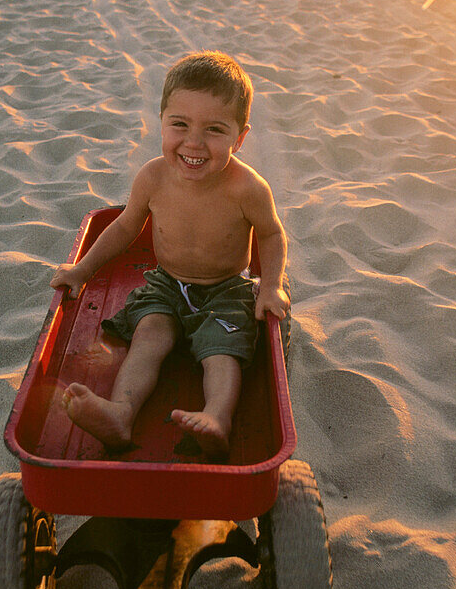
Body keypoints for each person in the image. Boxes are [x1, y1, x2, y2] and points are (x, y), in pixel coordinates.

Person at [49, 51, 289, 460]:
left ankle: (217, 418)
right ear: (161, 121)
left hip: (226, 289)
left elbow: (271, 234)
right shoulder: (153, 177)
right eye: (180, 124)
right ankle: (121, 413)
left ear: (240, 137)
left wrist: (272, 288)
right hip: (167, 282)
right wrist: (83, 268)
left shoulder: (247, 188)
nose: (193, 142)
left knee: (222, 351)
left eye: (215, 130)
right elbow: (125, 227)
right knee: (148, 337)